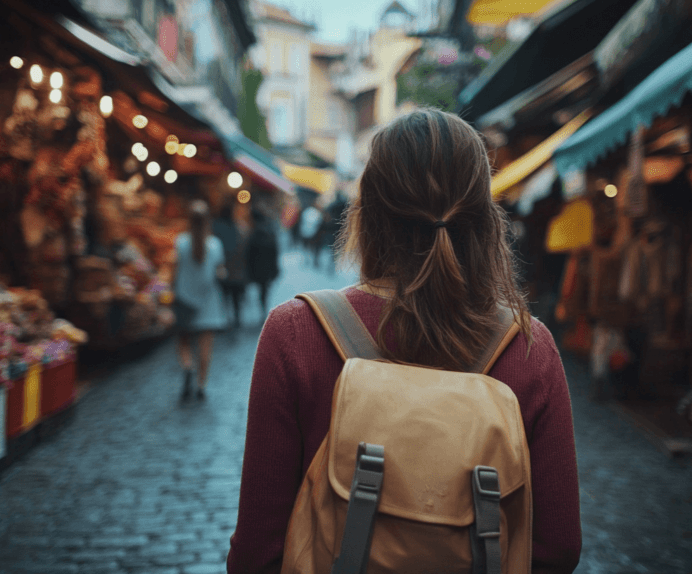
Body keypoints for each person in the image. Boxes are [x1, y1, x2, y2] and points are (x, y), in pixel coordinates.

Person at [227, 109, 582, 573]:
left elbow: (258, 550)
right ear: (483, 217)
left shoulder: (296, 332)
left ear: (368, 211)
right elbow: (557, 549)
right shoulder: (530, 349)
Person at [171, 200, 226, 400]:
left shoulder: (180, 242)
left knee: (183, 341)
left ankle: (187, 367)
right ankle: (201, 385)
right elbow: (220, 271)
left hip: (185, 300)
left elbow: (174, 270)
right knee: (205, 348)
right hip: (208, 303)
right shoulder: (215, 245)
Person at [211, 203, 249, 327]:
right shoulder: (237, 226)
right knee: (235, 297)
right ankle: (236, 318)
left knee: (224, 295)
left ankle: (225, 319)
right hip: (236, 268)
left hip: (222, 267)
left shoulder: (215, 226)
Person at [245, 208, 280, 317]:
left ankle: (263, 310)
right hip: (266, 265)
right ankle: (263, 310)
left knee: (261, 289)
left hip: (257, 265)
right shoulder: (268, 229)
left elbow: (249, 251)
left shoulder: (253, 231)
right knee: (264, 290)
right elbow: (274, 249)